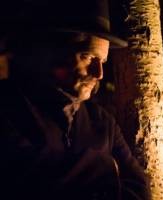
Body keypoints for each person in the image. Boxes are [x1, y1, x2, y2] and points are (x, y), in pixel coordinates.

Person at [0, 0, 150, 199]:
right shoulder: (8, 105)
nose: (99, 73)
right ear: (54, 51)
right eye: (88, 56)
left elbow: (140, 188)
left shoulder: (102, 122)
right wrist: (107, 167)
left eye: (102, 61)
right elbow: (26, 184)